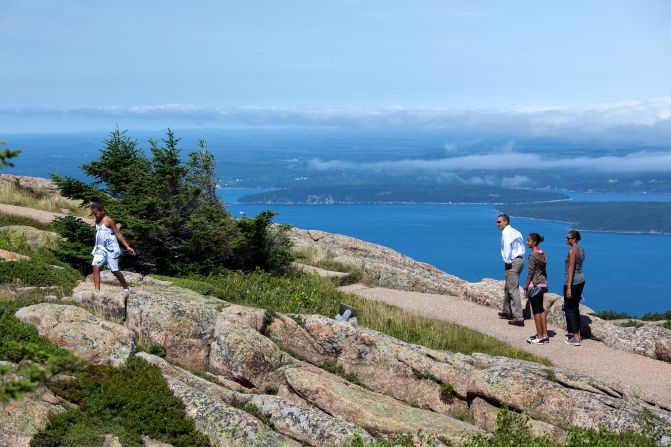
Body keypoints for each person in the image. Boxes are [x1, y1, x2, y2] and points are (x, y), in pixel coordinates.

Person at [90, 202, 136, 293]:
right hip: (100, 248)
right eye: (93, 213)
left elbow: (118, 234)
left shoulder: (109, 220)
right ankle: (97, 290)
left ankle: (127, 287)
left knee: (114, 270)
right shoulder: (97, 221)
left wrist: (127, 247)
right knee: (95, 267)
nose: (95, 215)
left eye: (96, 213)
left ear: (102, 211)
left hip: (111, 249)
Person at [496, 214, 526, 326]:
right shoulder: (516, 232)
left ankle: (518, 317)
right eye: (497, 222)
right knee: (508, 286)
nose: (497, 224)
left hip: (512, 262)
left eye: (499, 222)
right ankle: (507, 311)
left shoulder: (506, 233)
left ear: (506, 222)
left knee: (513, 289)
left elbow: (507, 247)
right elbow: (522, 247)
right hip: (519, 260)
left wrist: (508, 262)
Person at [523, 233, 548, 344]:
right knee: (541, 309)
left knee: (536, 312)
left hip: (535, 285)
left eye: (528, 241)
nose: (527, 242)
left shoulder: (533, 256)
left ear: (534, 242)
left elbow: (530, 273)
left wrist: (526, 286)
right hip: (543, 284)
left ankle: (539, 336)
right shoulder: (542, 253)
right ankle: (545, 335)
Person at [564, 229, 586, 346]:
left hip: (573, 282)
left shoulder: (572, 251)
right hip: (581, 280)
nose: (566, 240)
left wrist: (568, 288)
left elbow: (571, 269)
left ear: (575, 239)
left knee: (570, 309)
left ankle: (576, 337)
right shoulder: (581, 250)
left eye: (569, 238)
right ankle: (579, 334)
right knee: (575, 307)